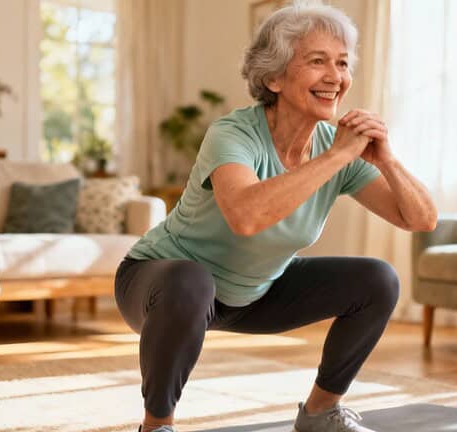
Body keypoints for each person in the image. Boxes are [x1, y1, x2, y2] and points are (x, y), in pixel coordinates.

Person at [114, 4, 437, 432]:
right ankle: (157, 426)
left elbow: (420, 220)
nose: (335, 76)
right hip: (162, 286)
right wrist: (340, 155)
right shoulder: (233, 134)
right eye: (317, 61)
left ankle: (321, 413)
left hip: (255, 292)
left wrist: (387, 160)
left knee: (378, 280)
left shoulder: (335, 145)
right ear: (274, 77)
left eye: (342, 63)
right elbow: (247, 217)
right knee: (192, 281)